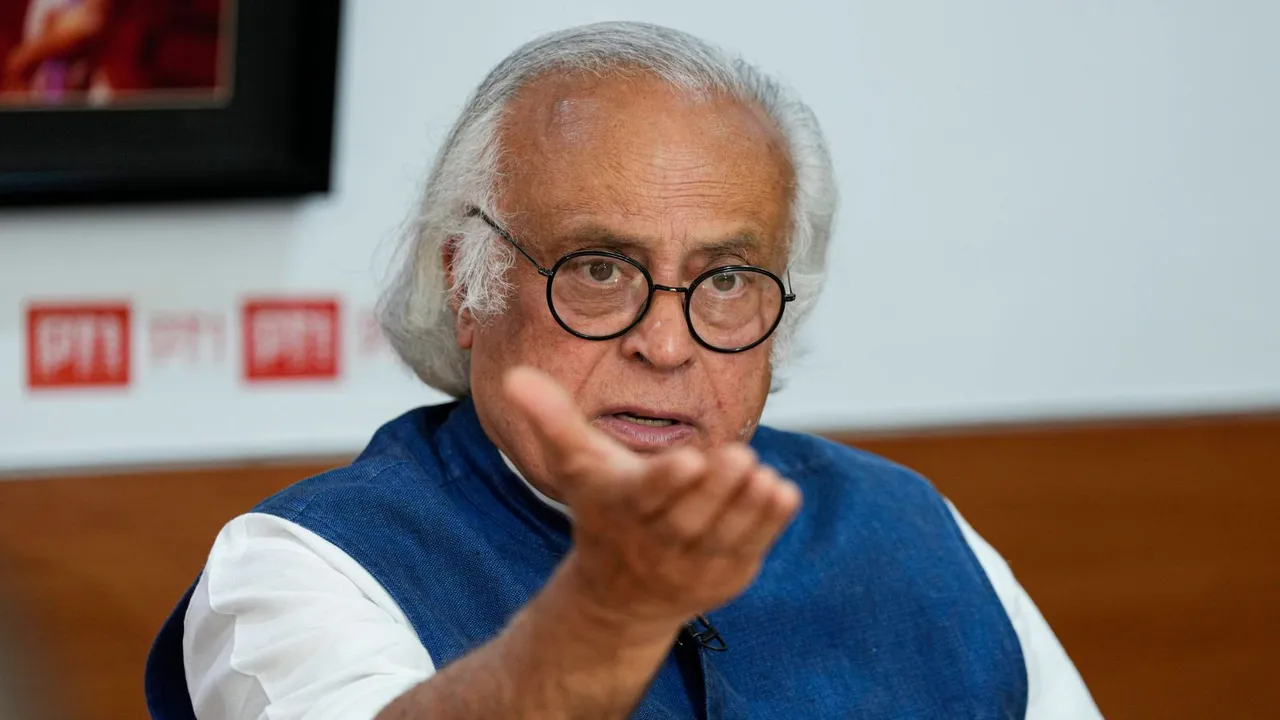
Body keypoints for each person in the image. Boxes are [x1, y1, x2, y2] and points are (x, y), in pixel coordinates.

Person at [145, 21, 1101, 720]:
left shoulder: (918, 534)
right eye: (599, 270)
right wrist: (613, 609)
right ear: (467, 286)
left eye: (726, 279)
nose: (668, 343)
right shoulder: (303, 570)